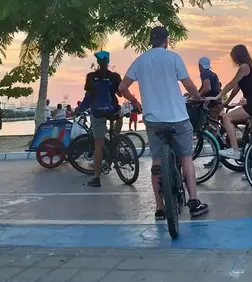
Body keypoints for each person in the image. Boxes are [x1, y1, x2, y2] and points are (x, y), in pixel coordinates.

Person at [118, 26, 209, 219]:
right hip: (178, 118)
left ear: (150, 41)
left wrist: (134, 101)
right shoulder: (173, 58)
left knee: (157, 161)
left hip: (153, 120)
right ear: (166, 41)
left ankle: (159, 208)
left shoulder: (140, 60)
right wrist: (197, 97)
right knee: (186, 158)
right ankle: (194, 202)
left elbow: (122, 87)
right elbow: (188, 84)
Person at [80, 51, 124, 188]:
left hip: (97, 113)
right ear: (108, 61)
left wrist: (80, 109)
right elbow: (120, 94)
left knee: (98, 144)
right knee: (120, 115)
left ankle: (97, 178)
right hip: (112, 111)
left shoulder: (91, 77)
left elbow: (88, 98)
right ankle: (116, 139)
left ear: (98, 62)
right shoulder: (114, 76)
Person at [215, 45, 252, 160]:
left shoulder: (244, 67)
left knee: (227, 118)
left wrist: (217, 96)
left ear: (237, 56)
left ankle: (235, 151)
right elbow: (236, 88)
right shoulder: (249, 68)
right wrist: (226, 102)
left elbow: (232, 83)